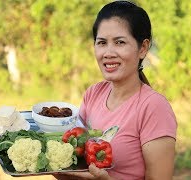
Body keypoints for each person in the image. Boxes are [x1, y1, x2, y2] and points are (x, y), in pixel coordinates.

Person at [54, 1, 177, 179]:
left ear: (142, 48)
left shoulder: (153, 107)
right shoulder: (93, 94)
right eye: (102, 42)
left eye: (119, 42)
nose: (108, 52)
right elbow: (78, 161)